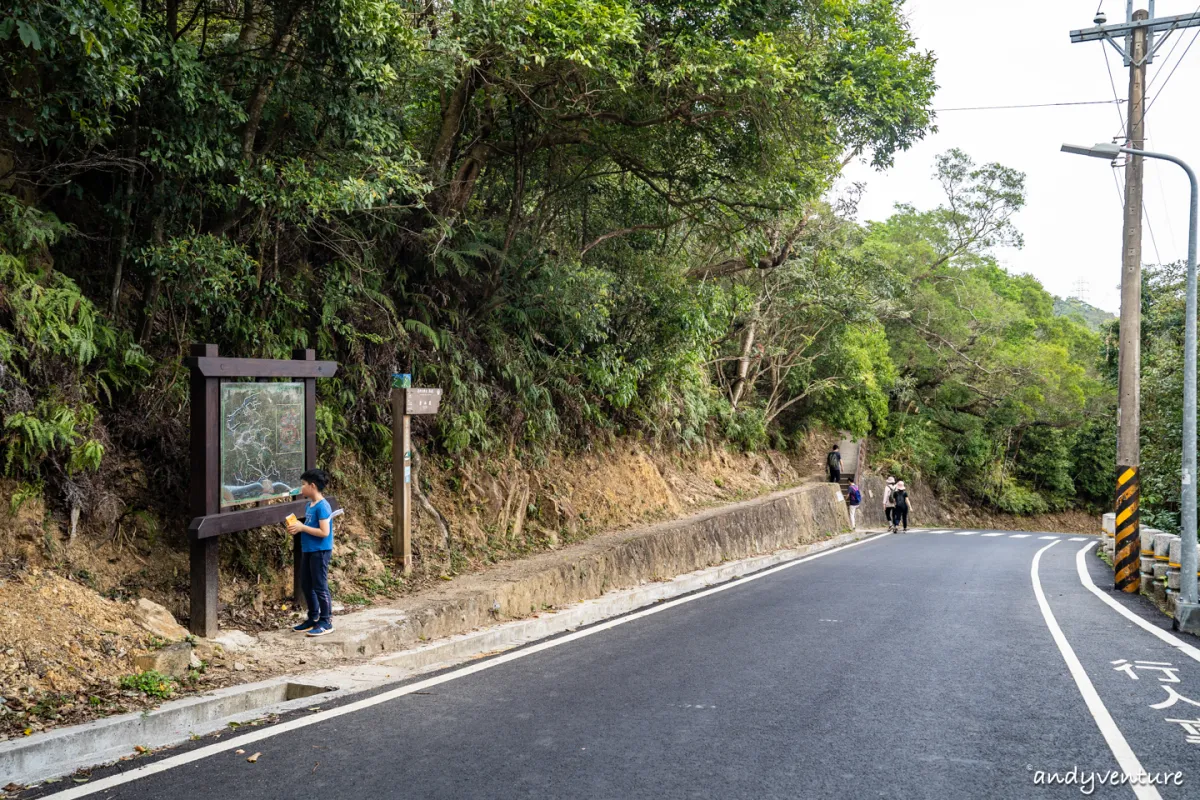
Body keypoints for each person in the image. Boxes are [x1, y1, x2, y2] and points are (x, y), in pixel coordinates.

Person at [287, 468, 335, 636]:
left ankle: (326, 620)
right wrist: (297, 528)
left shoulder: (323, 506)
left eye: (303, 485)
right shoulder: (310, 505)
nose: (302, 488)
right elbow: (310, 527)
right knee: (306, 584)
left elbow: (324, 532)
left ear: (312, 486)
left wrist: (302, 527)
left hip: (320, 551)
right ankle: (313, 618)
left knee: (320, 586)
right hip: (308, 549)